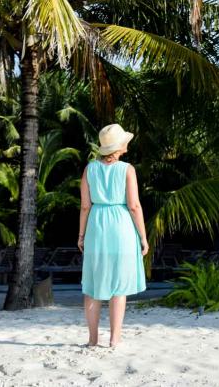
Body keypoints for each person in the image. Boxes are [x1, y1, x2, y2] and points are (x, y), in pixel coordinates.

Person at [78, 123, 148, 348]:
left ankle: (92, 339)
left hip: (96, 226)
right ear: (119, 146)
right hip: (121, 226)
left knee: (93, 285)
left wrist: (81, 235)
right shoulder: (127, 169)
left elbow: (85, 207)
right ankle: (114, 339)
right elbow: (134, 206)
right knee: (118, 286)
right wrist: (143, 237)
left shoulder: (89, 169)